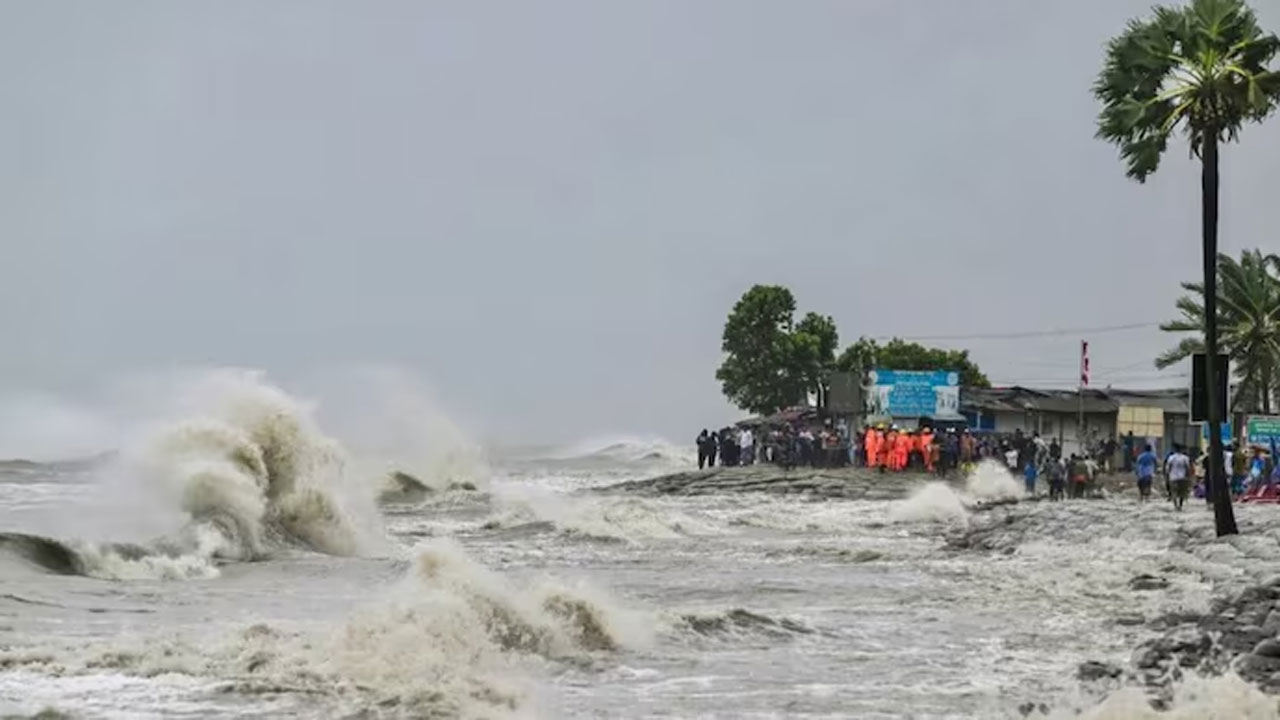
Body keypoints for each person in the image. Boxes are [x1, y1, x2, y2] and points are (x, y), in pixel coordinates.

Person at [1166, 444, 1192, 511]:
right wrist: (1188, 476)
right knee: (1182, 493)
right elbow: (1188, 468)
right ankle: (1180, 505)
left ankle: (1175, 506)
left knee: (1174, 492)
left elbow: (1168, 468)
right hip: (1182, 477)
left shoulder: (1171, 458)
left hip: (1173, 477)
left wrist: (1167, 475)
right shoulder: (1185, 458)